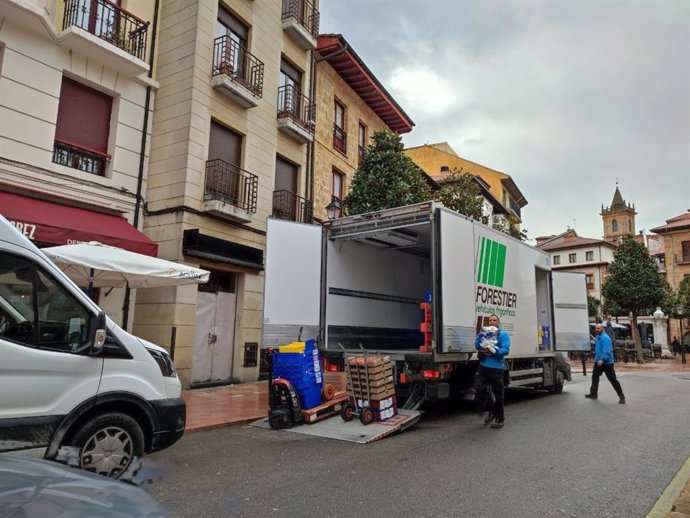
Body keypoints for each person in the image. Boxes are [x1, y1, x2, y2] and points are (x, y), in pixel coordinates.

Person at [474, 314, 511, 429]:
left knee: (498, 395)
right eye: (490, 320)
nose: (492, 322)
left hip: (496, 368)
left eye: (494, 320)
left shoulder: (503, 334)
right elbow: (476, 345)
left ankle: (499, 419)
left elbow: (505, 350)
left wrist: (494, 350)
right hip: (483, 366)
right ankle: (490, 411)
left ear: (498, 322)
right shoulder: (484, 332)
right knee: (480, 388)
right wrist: (479, 339)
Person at [586, 323, 625, 404]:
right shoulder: (598, 337)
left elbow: (607, 351)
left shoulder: (605, 338)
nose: (597, 330)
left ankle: (621, 396)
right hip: (598, 362)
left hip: (606, 363)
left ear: (602, 329)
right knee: (594, 378)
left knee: (613, 380)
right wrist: (593, 338)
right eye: (596, 328)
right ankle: (593, 394)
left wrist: (602, 360)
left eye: (598, 328)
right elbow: (597, 343)